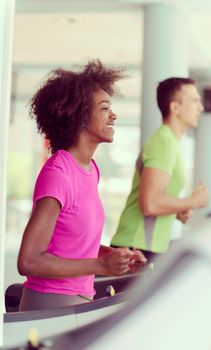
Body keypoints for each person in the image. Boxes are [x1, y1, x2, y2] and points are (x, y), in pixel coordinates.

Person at [17, 60, 146, 311]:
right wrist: (100, 267)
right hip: (48, 306)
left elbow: (72, 243)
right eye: (105, 108)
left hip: (77, 303)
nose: (114, 114)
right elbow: (29, 261)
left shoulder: (90, 170)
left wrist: (113, 257)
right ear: (79, 115)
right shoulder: (58, 173)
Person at [111, 77, 209, 259]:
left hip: (143, 246)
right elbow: (150, 203)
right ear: (175, 108)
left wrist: (177, 210)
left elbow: (155, 201)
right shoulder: (163, 142)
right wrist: (195, 201)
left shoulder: (170, 142)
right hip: (135, 247)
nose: (201, 108)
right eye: (194, 101)